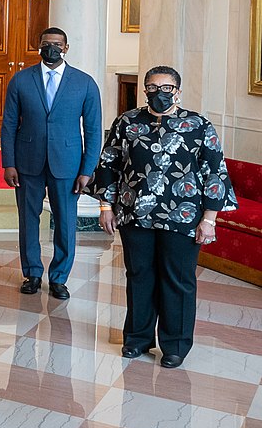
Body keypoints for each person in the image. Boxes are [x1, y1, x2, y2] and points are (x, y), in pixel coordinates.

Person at [92, 66, 237, 369]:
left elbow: (214, 174)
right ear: (145, 90)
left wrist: (209, 220)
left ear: (178, 91)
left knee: (178, 280)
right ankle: (137, 338)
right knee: (139, 276)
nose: (160, 93)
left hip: (183, 217)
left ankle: (176, 345)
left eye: (166, 87)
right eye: (152, 87)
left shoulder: (199, 126)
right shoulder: (127, 122)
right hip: (135, 215)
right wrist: (106, 207)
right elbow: (109, 163)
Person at [0, 26, 103, 299]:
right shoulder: (20, 80)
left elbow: (93, 130)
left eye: (57, 44)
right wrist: (8, 162)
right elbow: (8, 124)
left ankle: (59, 278)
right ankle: (32, 273)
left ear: (66, 48)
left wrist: (87, 169)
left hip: (67, 164)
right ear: (39, 46)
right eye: (47, 43)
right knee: (28, 220)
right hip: (27, 162)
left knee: (66, 222)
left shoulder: (85, 82)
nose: (52, 48)